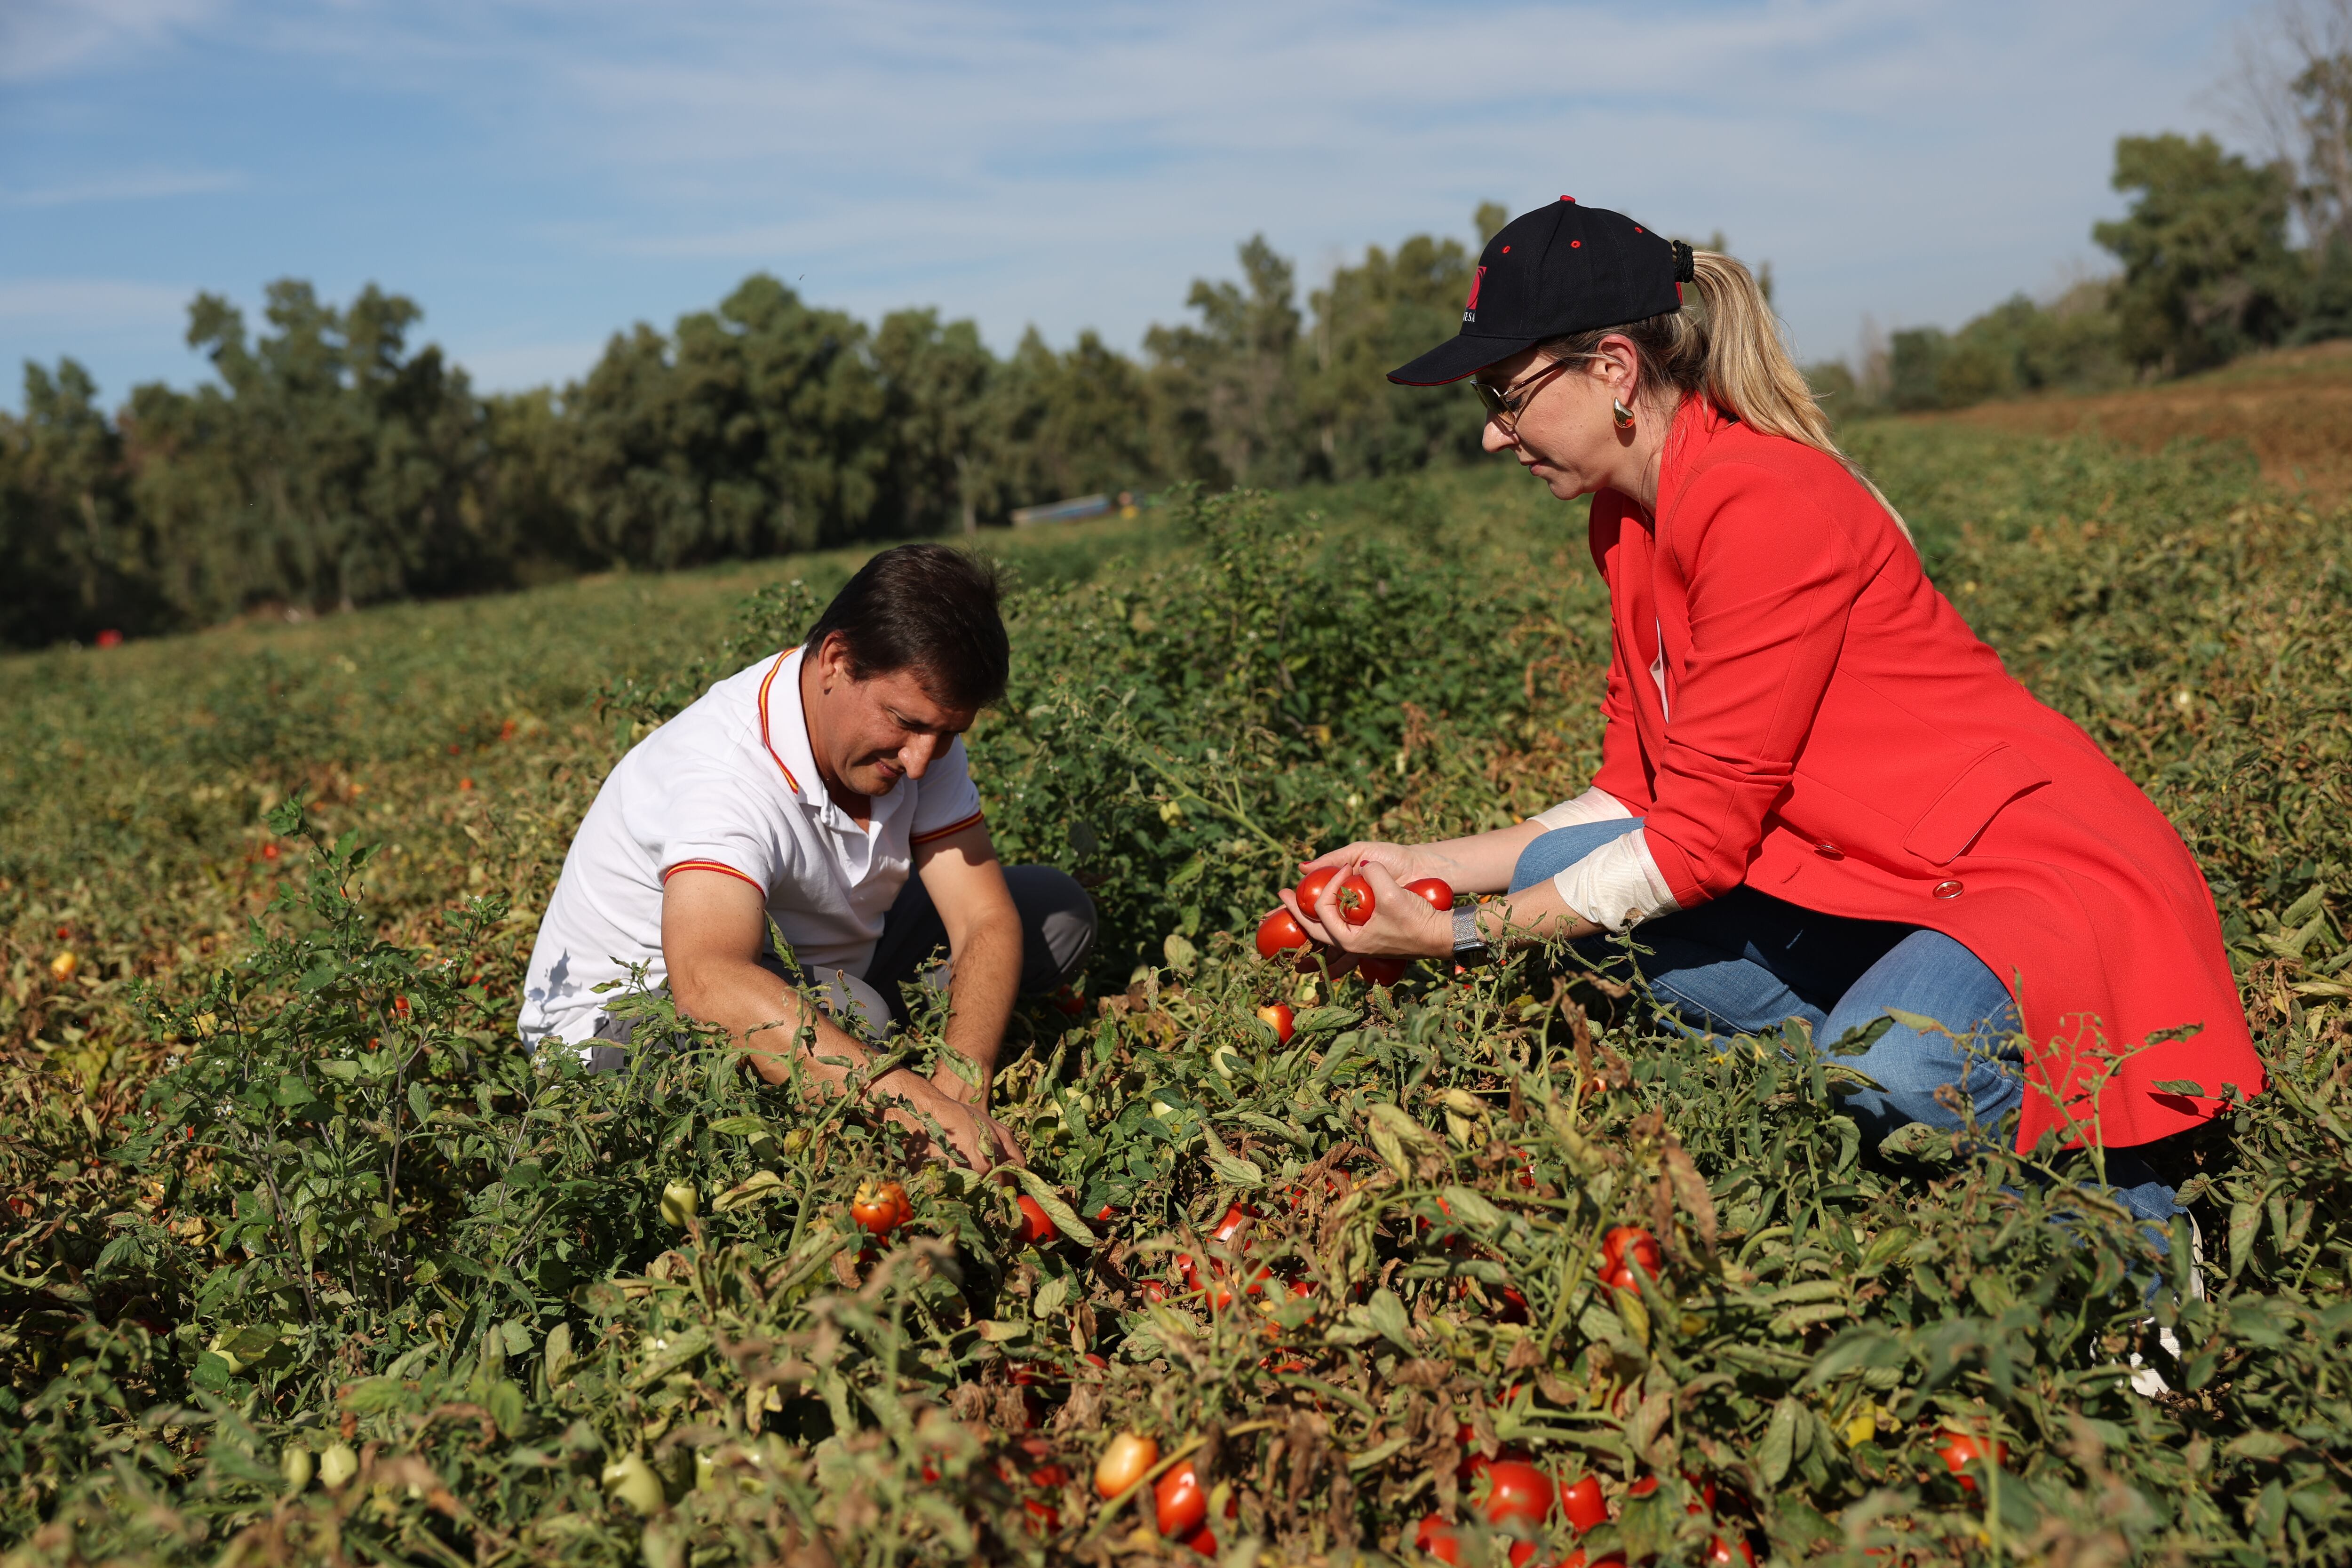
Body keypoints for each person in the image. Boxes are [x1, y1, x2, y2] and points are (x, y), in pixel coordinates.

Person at [1280, 198, 2262, 1220]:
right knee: (1560, 895)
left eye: (1507, 391)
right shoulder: (1626, 524)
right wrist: (1418, 863)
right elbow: (1633, 794)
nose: (1492, 432)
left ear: (1613, 369)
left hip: (2028, 878)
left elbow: (1692, 847)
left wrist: (1456, 937)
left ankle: (2146, 1220)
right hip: (1877, 876)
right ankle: (1901, 1097)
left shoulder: (1758, 500)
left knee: (1891, 1070)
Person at [517, 544, 1096, 1170]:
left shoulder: (920, 741)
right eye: (905, 722)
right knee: (859, 1017)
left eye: (948, 733)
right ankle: (855, 1060)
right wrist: (914, 1108)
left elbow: (983, 915)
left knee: (1056, 914)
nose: (922, 760)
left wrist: (961, 1080)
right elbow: (708, 981)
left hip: (816, 958)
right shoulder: (728, 768)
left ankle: (855, 1054)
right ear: (837, 660)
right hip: (624, 1026)